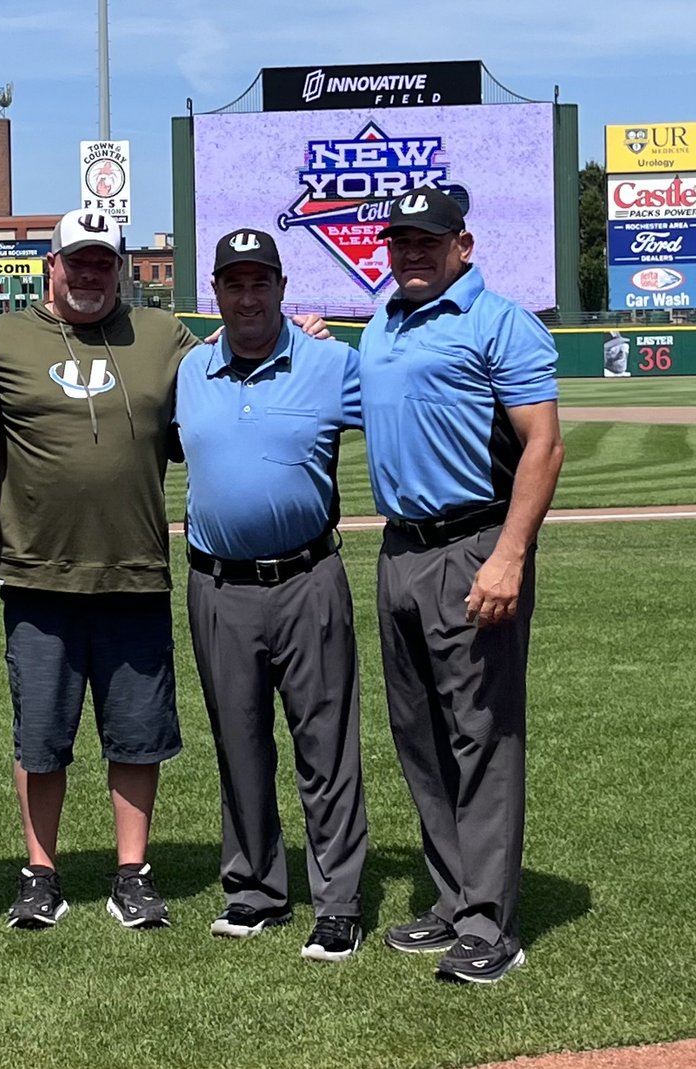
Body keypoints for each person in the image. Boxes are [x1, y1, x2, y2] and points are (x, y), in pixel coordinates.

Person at [0, 209, 326, 931]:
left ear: (121, 269)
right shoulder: (4, 338)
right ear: (51, 265)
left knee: (137, 733)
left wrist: (304, 337)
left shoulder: (161, 335)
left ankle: (131, 873)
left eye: (103, 262)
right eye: (76, 261)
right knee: (40, 735)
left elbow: (223, 365)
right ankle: (39, 871)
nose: (89, 274)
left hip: (134, 568)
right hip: (37, 570)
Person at [359, 187, 564, 984]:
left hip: (474, 543)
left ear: (463, 245)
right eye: (399, 240)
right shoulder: (383, 322)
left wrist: (510, 555)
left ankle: (490, 922)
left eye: (427, 240)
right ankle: (452, 897)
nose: (411, 252)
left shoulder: (499, 321)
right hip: (401, 550)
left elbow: (542, 448)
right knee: (420, 737)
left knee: (481, 737)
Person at [173, 229, 367, 958]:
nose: (247, 296)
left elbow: (407, 405)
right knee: (239, 744)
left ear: (283, 288)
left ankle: (338, 901)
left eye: (260, 283)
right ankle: (254, 890)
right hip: (218, 584)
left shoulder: (331, 363)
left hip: (308, 579)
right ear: (216, 292)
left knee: (326, 745)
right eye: (233, 283)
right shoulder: (190, 372)